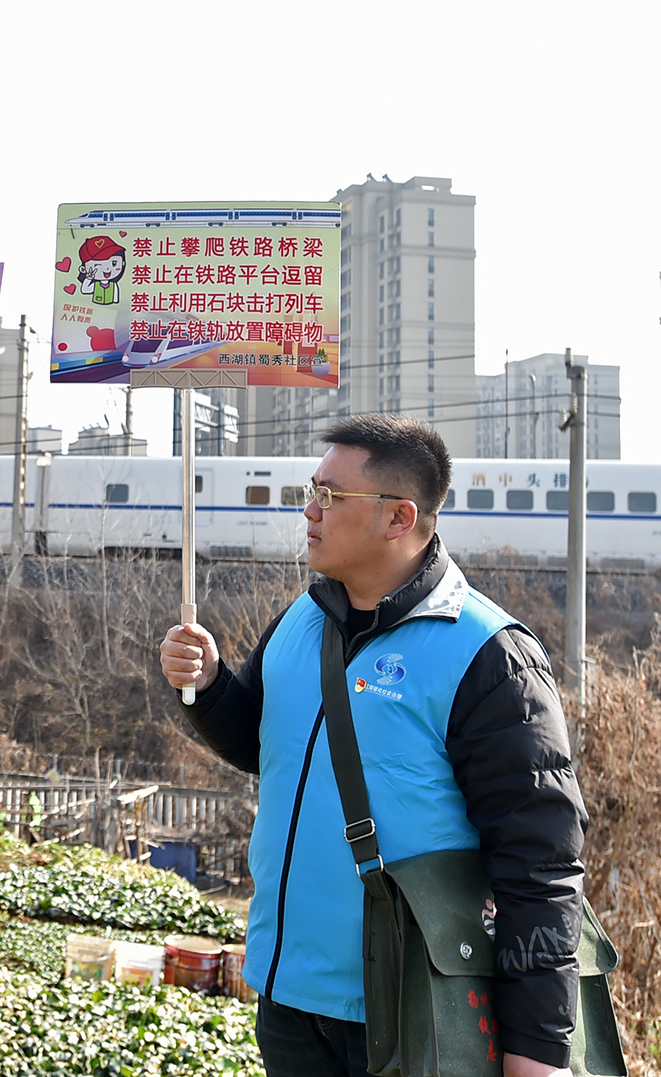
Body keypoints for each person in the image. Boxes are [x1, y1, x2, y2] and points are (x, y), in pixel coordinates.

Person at [159, 414, 586, 1077]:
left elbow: (541, 867)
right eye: (312, 487)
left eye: (330, 495)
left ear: (398, 518)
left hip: (414, 1010)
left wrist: (538, 1052)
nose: (308, 509)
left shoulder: (489, 655)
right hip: (288, 1000)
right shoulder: (301, 619)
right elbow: (259, 745)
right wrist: (210, 684)